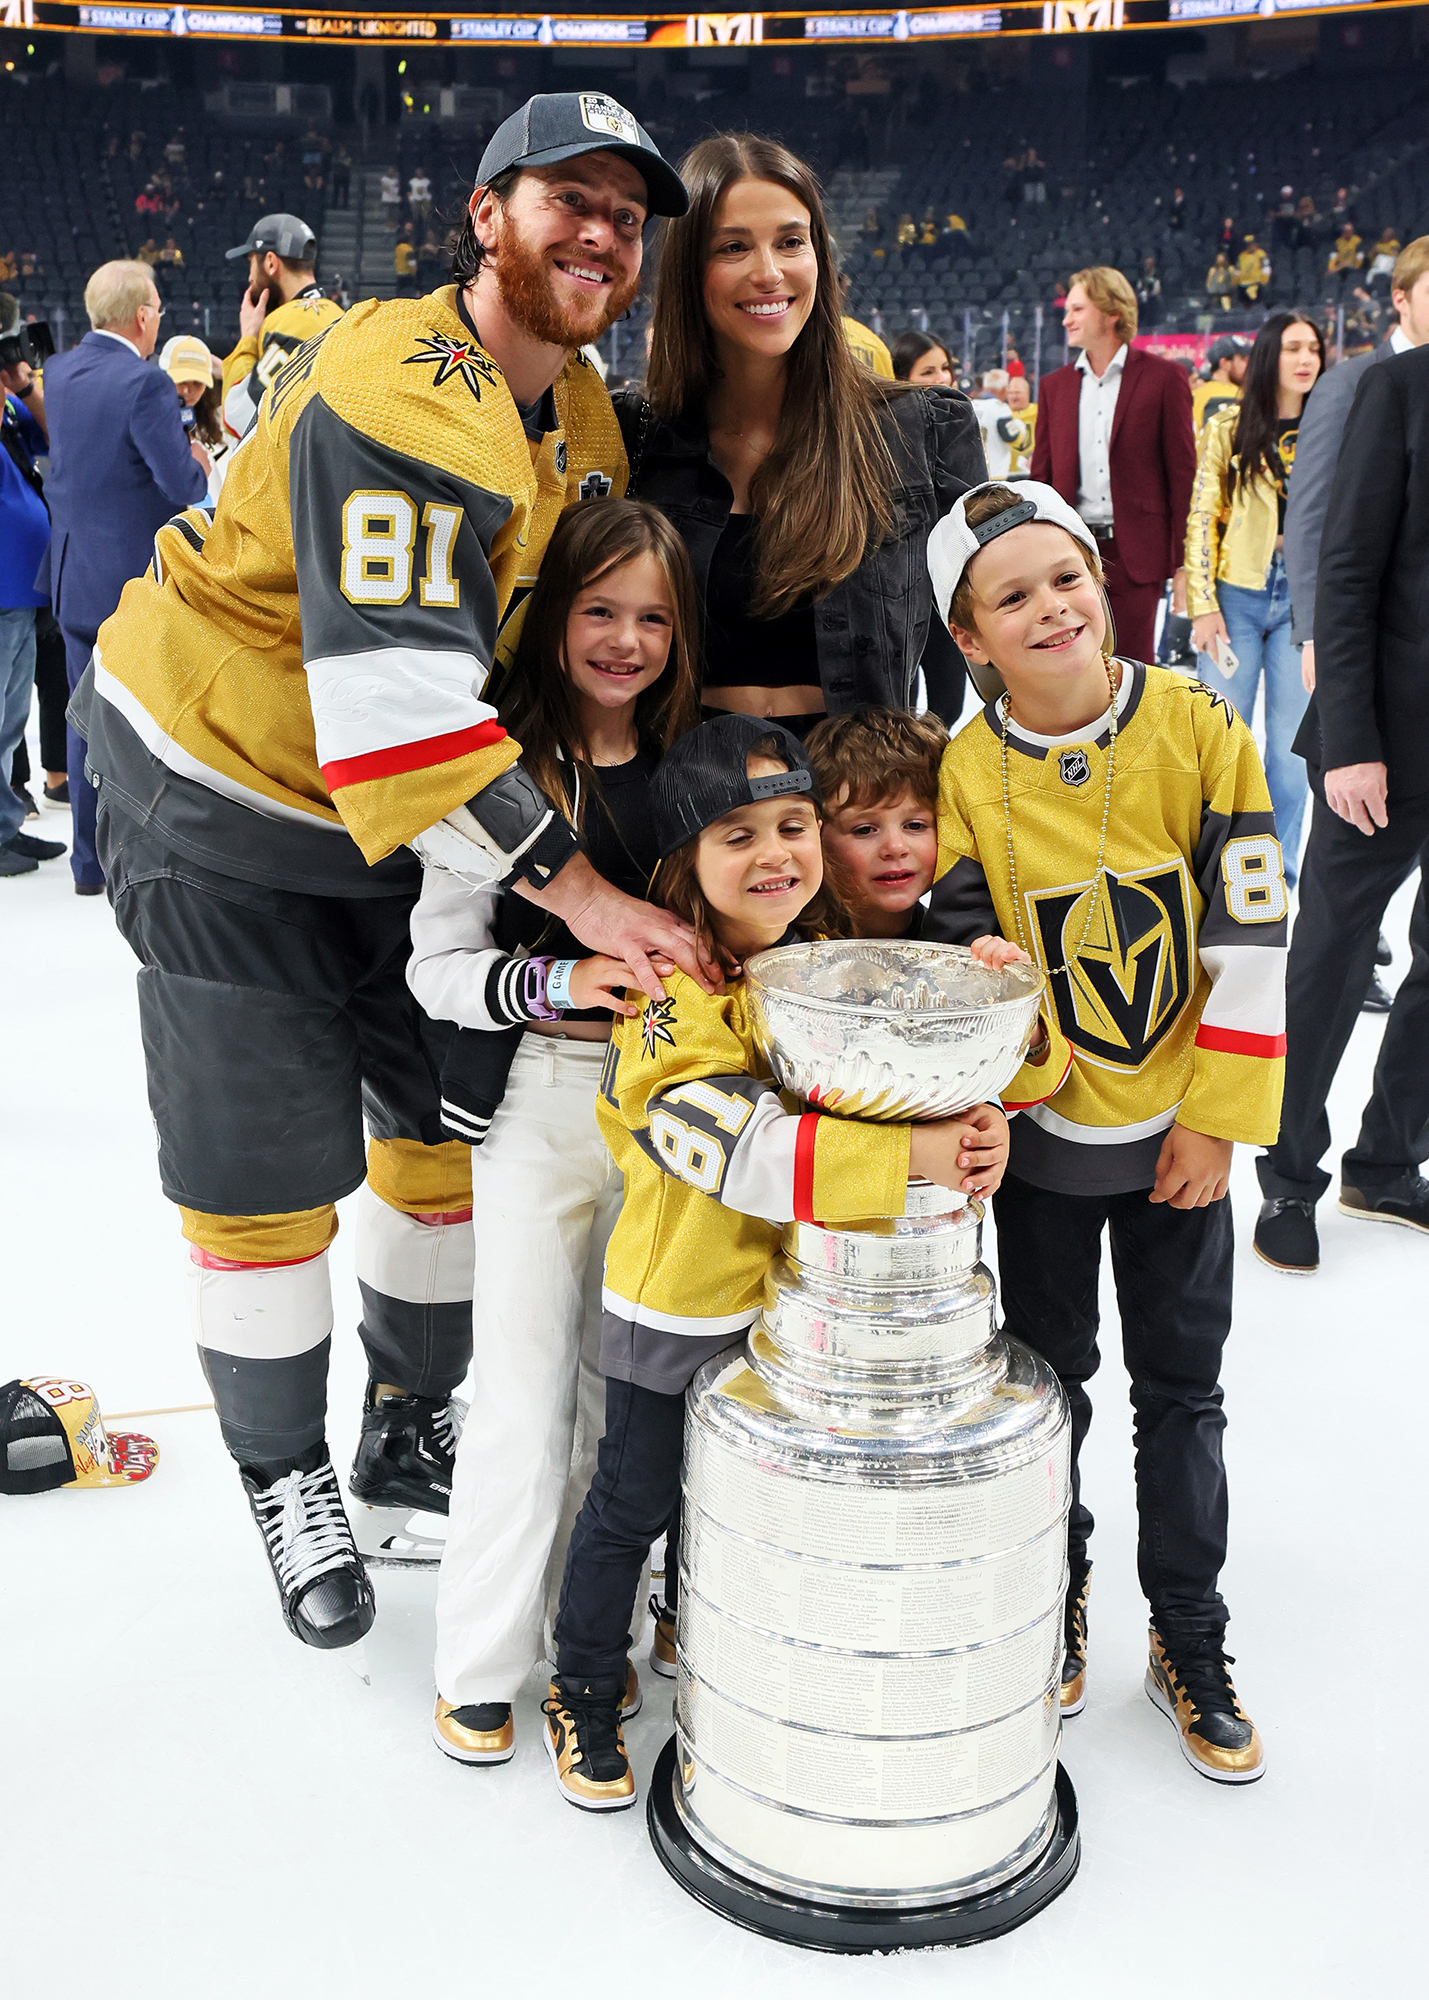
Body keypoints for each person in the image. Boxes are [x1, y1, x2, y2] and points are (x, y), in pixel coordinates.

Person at [69, 94, 702, 1657]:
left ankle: (405, 1419)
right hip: (224, 788)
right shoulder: (407, 385)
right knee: (262, 1169)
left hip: (404, 835)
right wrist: (588, 889)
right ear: (486, 214)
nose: (603, 231)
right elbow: (399, 710)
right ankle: (284, 1478)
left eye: (628, 211)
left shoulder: (580, 414)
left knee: (438, 1134)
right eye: (570, 196)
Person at [542, 714, 1011, 1808]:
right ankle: (579, 1680)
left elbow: (931, 1068)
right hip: (682, 1298)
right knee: (634, 1496)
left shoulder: (831, 965)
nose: (773, 854)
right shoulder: (666, 989)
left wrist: (997, 1018)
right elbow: (730, 1144)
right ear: (682, 867)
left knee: (745, 1497)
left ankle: (692, 1628)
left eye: (793, 824)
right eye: (734, 834)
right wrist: (910, 1156)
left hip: (799, 1311)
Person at [924, 479, 1285, 1783]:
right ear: (969, 639)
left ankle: (1187, 1627)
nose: (1050, 609)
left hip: (1178, 1149)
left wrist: (1220, 1121)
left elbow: (1249, 929)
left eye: (1064, 578)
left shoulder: (1195, 723)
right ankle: (1057, 1593)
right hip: (1043, 1162)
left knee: (1181, 1395)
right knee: (1048, 1391)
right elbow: (963, 957)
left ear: (1099, 579)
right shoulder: (962, 773)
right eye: (1010, 598)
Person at [414, 498, 700, 1766]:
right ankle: (478, 1655)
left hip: (667, 1119)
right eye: (600, 610)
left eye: (652, 616)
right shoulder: (498, 773)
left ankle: (590, 1639)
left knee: (618, 1399)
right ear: (553, 619)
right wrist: (556, 983)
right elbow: (433, 969)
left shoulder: (700, 763)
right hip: (534, 1101)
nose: (626, 639)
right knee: (523, 1388)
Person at [617, 133, 985, 736]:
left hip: (859, 800)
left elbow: (975, 637)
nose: (769, 273)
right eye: (733, 247)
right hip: (690, 801)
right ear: (690, 272)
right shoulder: (636, 438)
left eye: (791, 242)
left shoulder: (925, 430)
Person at [1254, 342, 1429, 1272]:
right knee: (1327, 955)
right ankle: (1287, 1176)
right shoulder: (1397, 388)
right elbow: (1350, 570)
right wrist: (1352, 741)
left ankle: (1388, 1163)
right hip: (1388, 741)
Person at [39, 260, 210, 895]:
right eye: (159, 310)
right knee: (143, 729)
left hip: (71, 576)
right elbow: (180, 485)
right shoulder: (144, 384)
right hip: (129, 586)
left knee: (84, 723)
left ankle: (89, 863)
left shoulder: (58, 371)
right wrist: (199, 466)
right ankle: (134, 867)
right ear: (142, 317)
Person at [1185, 311, 1324, 888]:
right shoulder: (1230, 426)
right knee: (1218, 742)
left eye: (1314, 347)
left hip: (1305, 601)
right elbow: (1202, 515)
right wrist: (1201, 601)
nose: (1306, 358)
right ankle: (1210, 865)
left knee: (1293, 759)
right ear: (1271, 354)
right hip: (1235, 595)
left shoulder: (1332, 425)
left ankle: (1278, 871)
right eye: (1293, 346)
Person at [1032, 266, 1196, 665]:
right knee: (1074, 664)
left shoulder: (1164, 378)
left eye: (1076, 309)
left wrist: (1185, 562)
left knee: (1133, 666)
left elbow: (1182, 475)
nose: (1066, 319)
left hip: (1136, 552)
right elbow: (1042, 477)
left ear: (1111, 312)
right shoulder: (1055, 387)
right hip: (1071, 549)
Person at [0, 319, 65, 878]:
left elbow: (54, 437)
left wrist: (22, 387)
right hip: (2, 590)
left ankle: (5, 829)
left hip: (21, 590)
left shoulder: (14, 408)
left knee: (10, 721)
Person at [806, 704, 948, 939]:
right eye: (864, 830)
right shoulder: (788, 948)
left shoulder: (965, 944)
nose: (895, 848)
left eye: (915, 826)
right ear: (816, 835)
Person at [220, 213, 343, 444]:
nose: (249, 277)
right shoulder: (341, 315)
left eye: (251, 263)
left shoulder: (292, 322)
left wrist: (248, 338)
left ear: (270, 262)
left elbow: (239, 417)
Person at [159, 334, 228, 503]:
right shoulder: (146, 422)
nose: (188, 391)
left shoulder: (219, 423)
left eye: (197, 382)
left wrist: (226, 371)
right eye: (181, 380)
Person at [1192, 334, 1250, 437]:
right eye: (1243, 359)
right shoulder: (1238, 396)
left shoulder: (1194, 395)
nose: (1249, 365)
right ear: (1224, 363)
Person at [1004, 373, 1036, 476]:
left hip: (1030, 472)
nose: (1013, 396)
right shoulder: (1002, 413)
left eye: (1017, 393)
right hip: (1006, 473)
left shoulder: (1038, 412)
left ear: (1027, 394)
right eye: (1010, 393)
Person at [1235, 234, 1270, 308]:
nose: (1250, 247)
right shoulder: (1242, 256)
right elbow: (1237, 269)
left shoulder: (1261, 254)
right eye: (1248, 245)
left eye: (1252, 244)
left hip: (1256, 283)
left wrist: (1264, 281)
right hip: (1243, 284)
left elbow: (1266, 268)